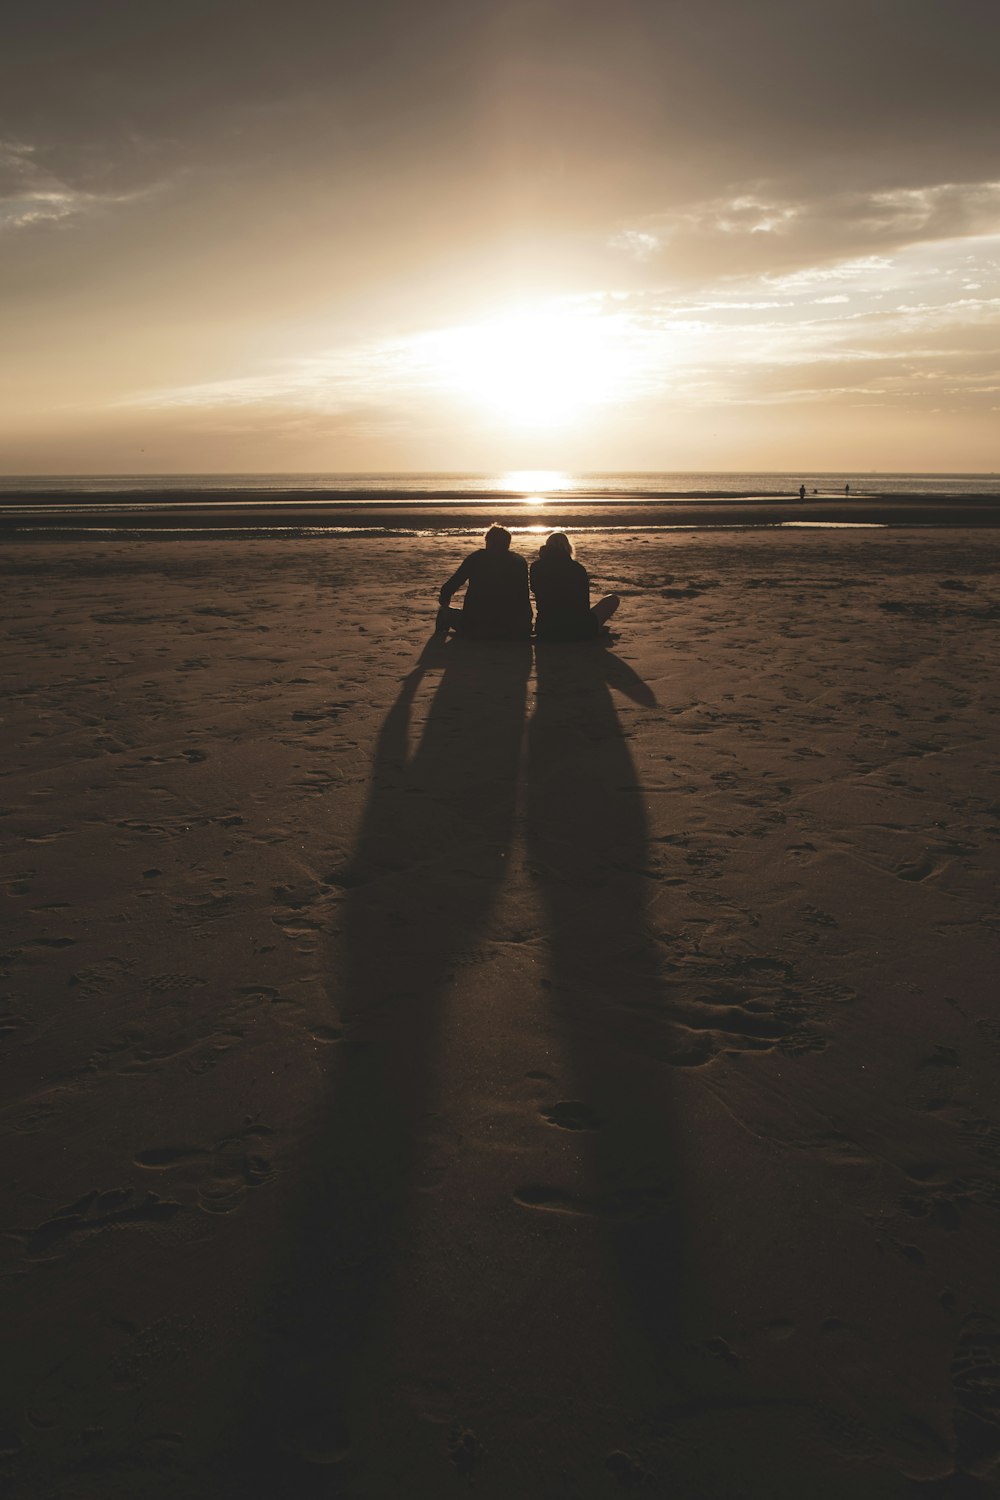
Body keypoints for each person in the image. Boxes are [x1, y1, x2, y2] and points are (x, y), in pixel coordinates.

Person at [435, 524, 532, 639]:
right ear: (508, 543)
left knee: (460, 619)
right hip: (511, 626)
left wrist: (445, 596)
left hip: (476, 623)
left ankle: (447, 615)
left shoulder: (476, 558)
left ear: (488, 541)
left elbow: (455, 581)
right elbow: (523, 594)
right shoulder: (519, 561)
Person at [529, 531, 620, 642]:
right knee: (612, 599)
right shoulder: (577, 568)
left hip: (546, 628)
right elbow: (584, 602)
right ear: (568, 548)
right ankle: (595, 630)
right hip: (578, 628)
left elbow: (535, 589)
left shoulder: (536, 567)